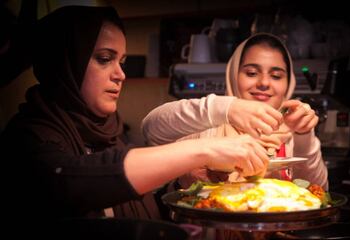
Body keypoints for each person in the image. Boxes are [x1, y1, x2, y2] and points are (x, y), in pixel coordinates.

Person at [0, 6, 276, 220]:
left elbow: (129, 210)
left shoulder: (108, 134)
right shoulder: (26, 137)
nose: (120, 74)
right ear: (64, 63)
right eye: (104, 59)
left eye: (121, 62)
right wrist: (204, 149)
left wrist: (184, 179)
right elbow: (70, 182)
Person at [142, 33, 328, 190]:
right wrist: (228, 108)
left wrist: (303, 135)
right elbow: (150, 129)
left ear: (288, 83)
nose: (264, 83)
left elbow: (317, 190)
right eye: (251, 73)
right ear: (233, 75)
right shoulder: (205, 125)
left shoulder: (291, 134)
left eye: (276, 76)